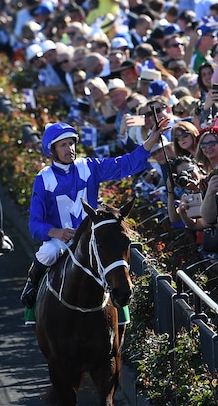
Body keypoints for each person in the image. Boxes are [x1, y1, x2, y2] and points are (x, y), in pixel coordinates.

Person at [21, 119, 170, 310]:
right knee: (47, 253)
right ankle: (31, 287)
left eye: (71, 143)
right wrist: (55, 232)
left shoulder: (89, 166)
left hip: (91, 237)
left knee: (114, 257)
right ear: (53, 150)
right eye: (63, 145)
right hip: (61, 240)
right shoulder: (43, 178)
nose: (70, 149)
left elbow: (125, 164)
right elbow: (35, 223)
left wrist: (151, 141)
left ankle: (122, 313)